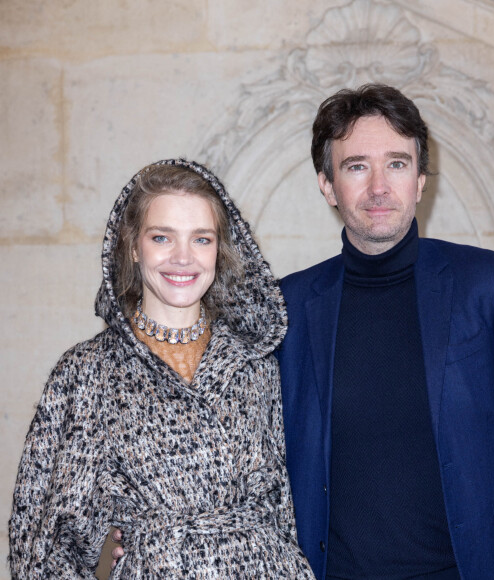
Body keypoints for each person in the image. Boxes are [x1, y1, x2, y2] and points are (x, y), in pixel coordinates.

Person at [277, 84, 494, 579]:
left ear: (421, 180)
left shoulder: (488, 285)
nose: (379, 187)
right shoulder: (288, 307)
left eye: (398, 164)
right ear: (327, 185)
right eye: (357, 165)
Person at [9, 159, 315, 578]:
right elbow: (42, 540)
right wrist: (101, 561)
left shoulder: (254, 361)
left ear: (220, 249)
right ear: (133, 246)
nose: (183, 258)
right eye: (161, 237)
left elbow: (281, 509)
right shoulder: (85, 372)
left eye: (202, 239)